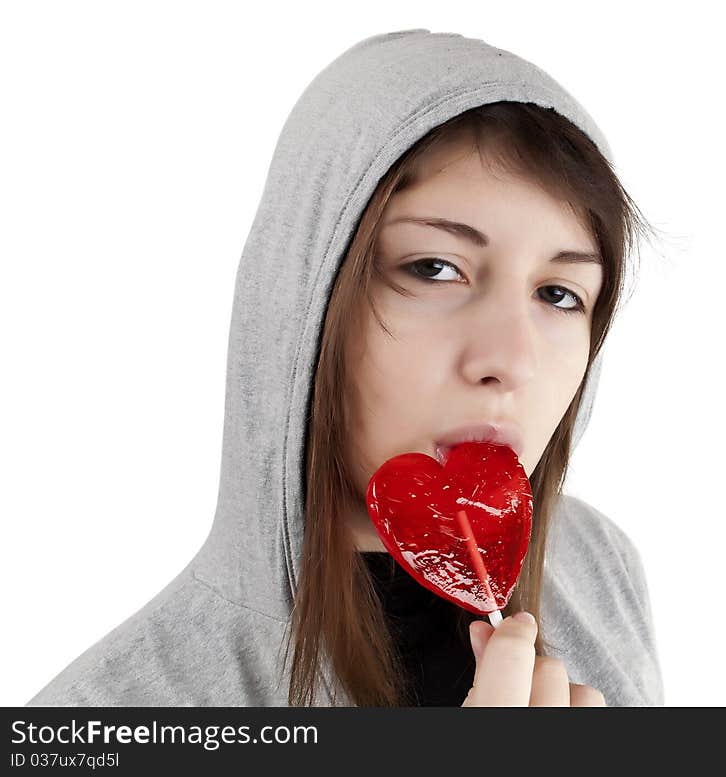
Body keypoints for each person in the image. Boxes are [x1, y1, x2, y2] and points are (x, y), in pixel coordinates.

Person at [26, 28, 664, 707]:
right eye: (433, 268)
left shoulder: (601, 568)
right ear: (306, 294)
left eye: (558, 294)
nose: (509, 361)